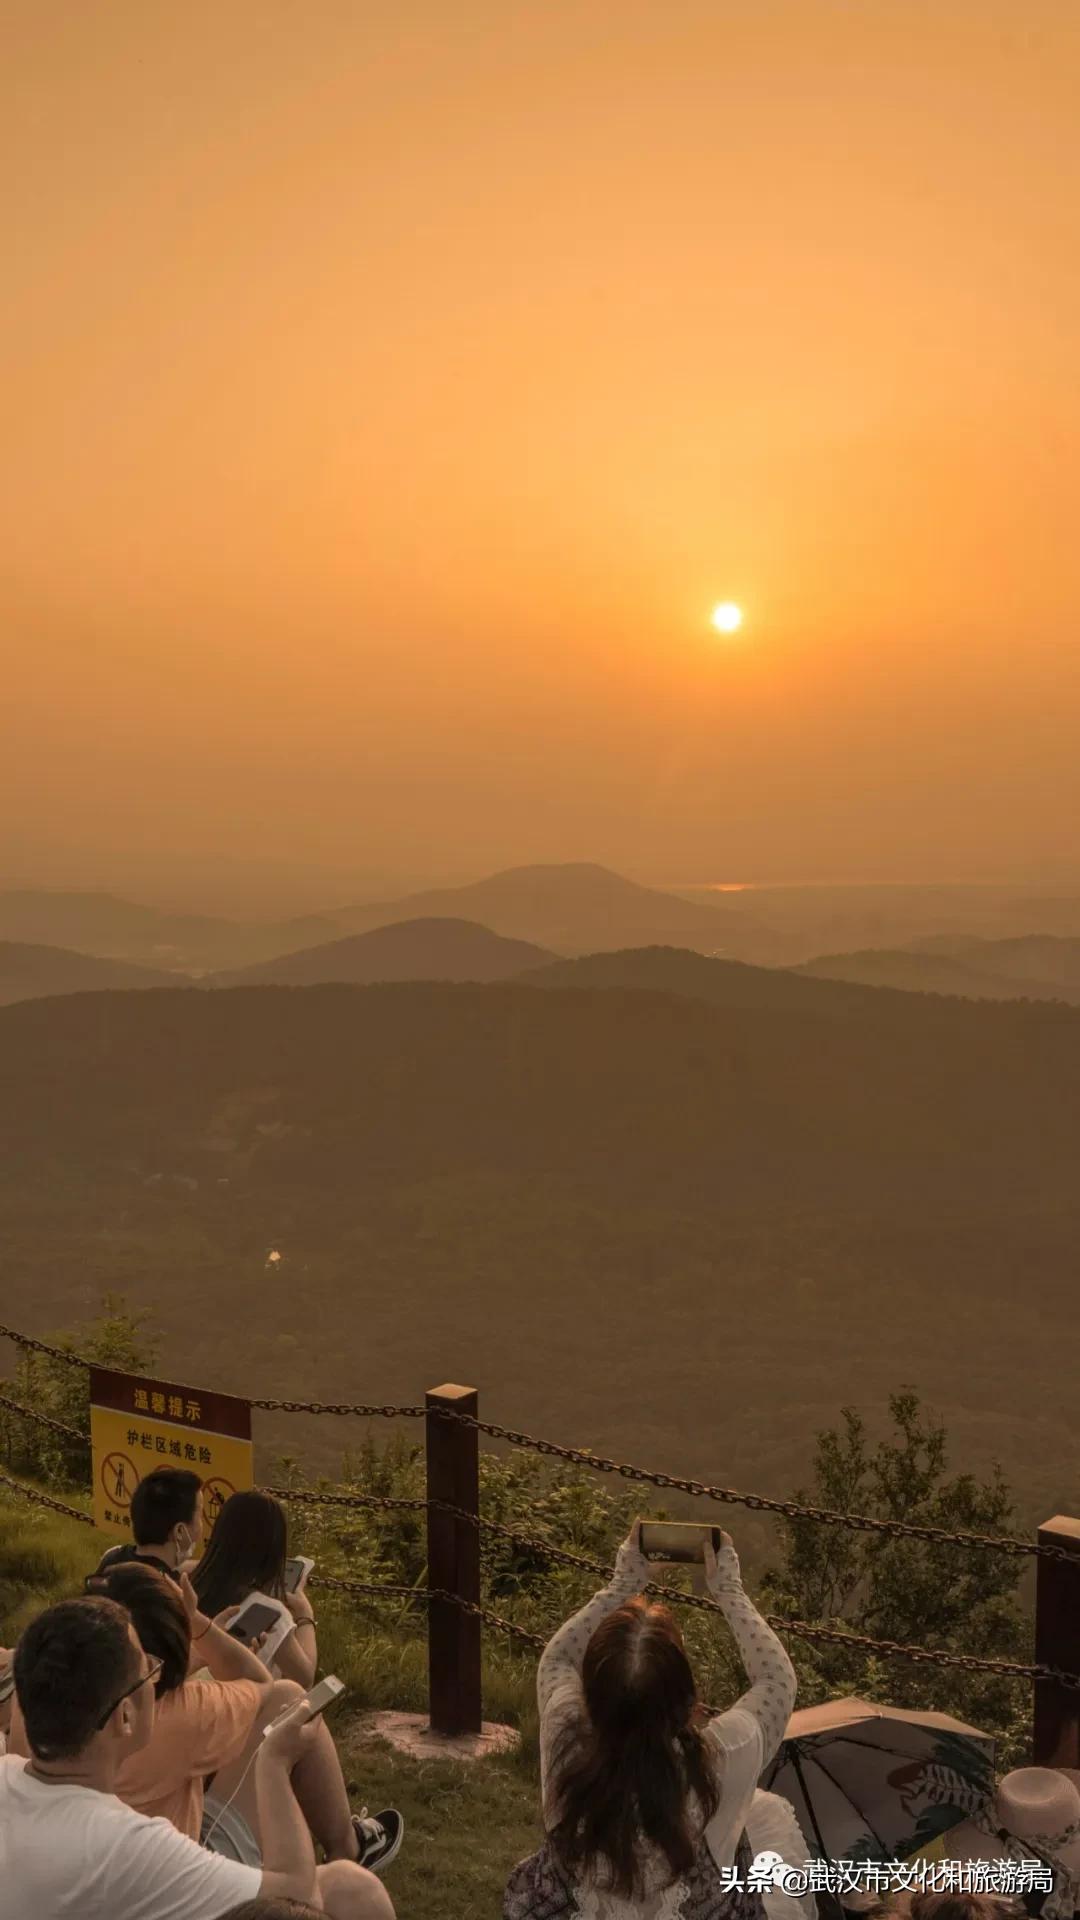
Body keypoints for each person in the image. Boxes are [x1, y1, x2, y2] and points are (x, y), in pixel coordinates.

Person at [0, 1593, 395, 1918]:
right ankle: (352, 1846)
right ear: (124, 1717)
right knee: (355, 1890)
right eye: (149, 1670)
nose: (157, 1677)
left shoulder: (7, 1773)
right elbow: (295, 1900)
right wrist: (274, 1764)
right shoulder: (132, 1847)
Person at [503, 1521, 801, 1919]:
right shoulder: (721, 1759)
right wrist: (728, 1588)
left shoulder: (565, 1738)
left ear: (590, 1694)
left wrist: (624, 1582)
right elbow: (777, 1680)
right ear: (686, 1699)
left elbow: (557, 1658)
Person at [86, 1562, 401, 1874]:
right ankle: (347, 1848)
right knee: (290, 1700)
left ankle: (347, 1844)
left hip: (112, 1855)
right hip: (186, 1867)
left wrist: (193, 1656)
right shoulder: (183, 1710)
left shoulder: (73, 1703)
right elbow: (262, 1682)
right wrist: (200, 1626)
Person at [193, 1490, 317, 1688]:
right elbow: (304, 1679)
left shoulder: (187, 1589)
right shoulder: (268, 1611)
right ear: (274, 1549)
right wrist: (305, 1616)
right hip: (244, 1706)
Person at [93, 1464, 205, 1583]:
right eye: (200, 1515)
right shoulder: (170, 1590)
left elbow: (154, 1567)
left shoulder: (112, 1557)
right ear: (179, 1531)